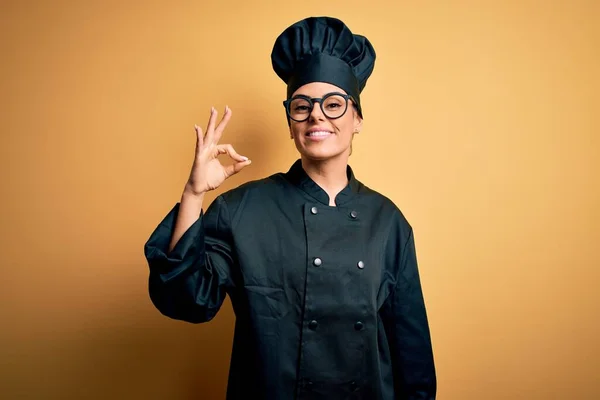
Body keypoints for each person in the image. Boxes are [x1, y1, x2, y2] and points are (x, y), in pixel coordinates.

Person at [144, 16, 436, 400]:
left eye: (333, 104)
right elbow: (185, 300)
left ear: (357, 119)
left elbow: (411, 354)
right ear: (291, 123)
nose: (317, 115)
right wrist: (194, 193)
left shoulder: (388, 222)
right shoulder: (242, 209)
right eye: (302, 106)